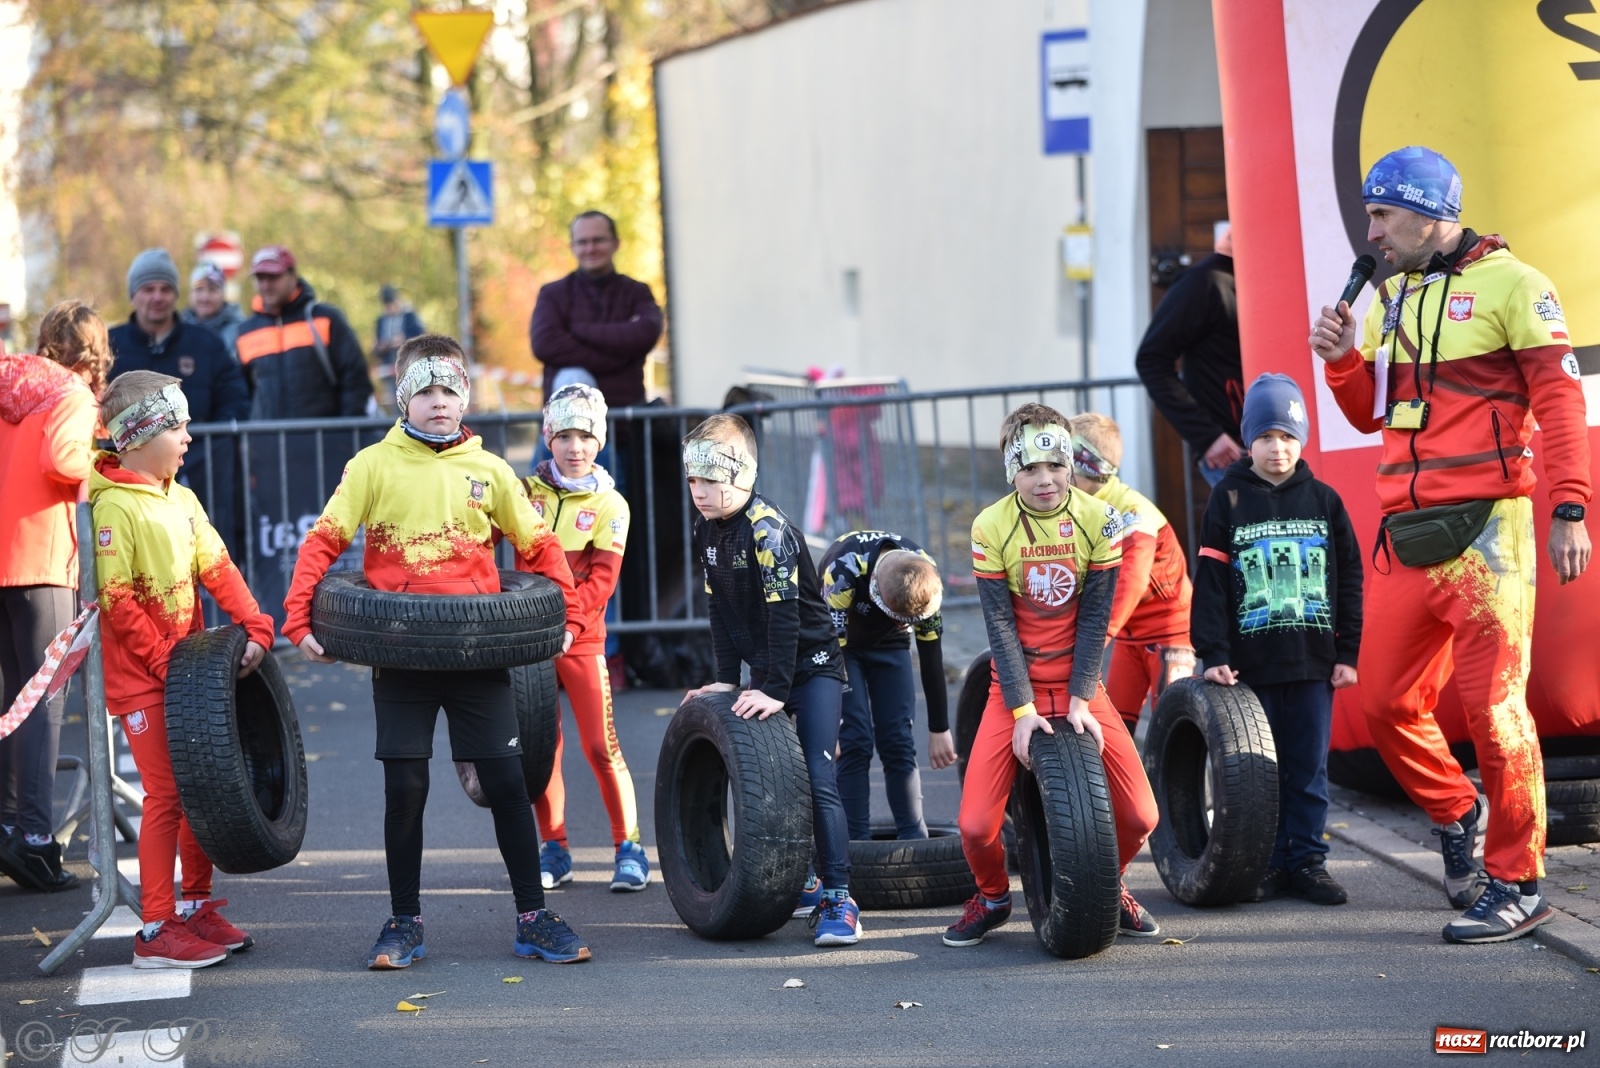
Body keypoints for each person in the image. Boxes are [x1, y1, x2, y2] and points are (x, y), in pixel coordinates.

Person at [1311, 145, 1592, 944]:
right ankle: (1457, 813)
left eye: (1382, 214)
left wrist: (1570, 507)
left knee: (1496, 711)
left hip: (1488, 536)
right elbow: (1374, 414)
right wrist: (1341, 363)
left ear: (1430, 212)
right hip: (1407, 533)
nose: (1371, 230)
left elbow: (1562, 406)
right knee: (1385, 703)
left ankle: (1518, 881)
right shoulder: (1393, 297)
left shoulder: (1518, 285)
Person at [283, 334, 592, 969]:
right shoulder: (372, 465)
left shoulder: (490, 470)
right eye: (424, 390)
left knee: (509, 783)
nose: (439, 402)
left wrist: (571, 615)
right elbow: (323, 540)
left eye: (450, 389)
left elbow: (540, 548)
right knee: (407, 787)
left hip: (478, 652)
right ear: (402, 397)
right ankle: (404, 923)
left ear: (465, 396)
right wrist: (298, 617)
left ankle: (534, 916)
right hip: (401, 653)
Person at [946, 403, 1161, 948]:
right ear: (1010, 471)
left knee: (1141, 816)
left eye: (1055, 467)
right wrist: (1021, 711)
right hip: (1012, 686)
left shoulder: (1100, 520)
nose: (1044, 481)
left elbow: (1096, 617)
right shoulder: (990, 525)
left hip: (1081, 683)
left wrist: (1081, 698)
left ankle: (1105, 885)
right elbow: (998, 624)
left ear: (1071, 463)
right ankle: (992, 896)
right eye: (1028, 469)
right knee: (975, 827)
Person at [90, 370, 274, 968]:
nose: (190, 435)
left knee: (199, 792)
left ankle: (194, 907)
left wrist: (255, 623)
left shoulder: (182, 497)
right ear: (140, 436)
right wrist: (166, 662)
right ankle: (154, 928)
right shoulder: (113, 507)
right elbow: (117, 602)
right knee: (165, 795)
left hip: (188, 676)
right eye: (179, 425)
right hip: (145, 679)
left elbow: (218, 569)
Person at [679, 414, 861, 947]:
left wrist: (777, 691)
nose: (700, 492)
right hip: (766, 671)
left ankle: (839, 898)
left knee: (816, 779)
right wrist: (724, 681)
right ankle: (799, 879)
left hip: (811, 668)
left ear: (742, 476)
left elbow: (785, 619)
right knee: (772, 779)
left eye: (710, 480)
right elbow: (721, 609)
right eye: (693, 480)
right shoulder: (705, 528)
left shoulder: (768, 531)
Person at [1191, 375, 1362, 906]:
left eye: (1287, 436)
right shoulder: (1229, 498)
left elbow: (1350, 577)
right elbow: (1212, 581)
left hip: (1313, 663)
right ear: (1248, 440)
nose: (1277, 448)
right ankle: (1263, 862)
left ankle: (1307, 861)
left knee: (1308, 771)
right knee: (1257, 773)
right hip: (1251, 668)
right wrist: (1213, 653)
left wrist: (1348, 651)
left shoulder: (1325, 501)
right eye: (1265, 436)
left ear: (1302, 439)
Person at [0, 302, 113, 892]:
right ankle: (37, 841)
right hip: (42, 558)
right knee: (40, 704)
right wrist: (113, 463)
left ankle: (11, 825)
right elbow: (63, 459)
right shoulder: (72, 393)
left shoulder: (9, 381)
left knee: (10, 700)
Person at [521, 383, 647, 894]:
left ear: (600, 441)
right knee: (541, 748)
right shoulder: (524, 493)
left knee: (601, 745)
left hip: (582, 641)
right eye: (565, 435)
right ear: (548, 438)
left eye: (586, 436)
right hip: (529, 644)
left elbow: (602, 582)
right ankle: (554, 848)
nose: (576, 447)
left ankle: (630, 849)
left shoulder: (612, 504)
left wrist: (569, 626)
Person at [111, 250, 251, 558]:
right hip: (131, 479)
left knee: (205, 553)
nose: (157, 297)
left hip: (203, 470)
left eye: (165, 289)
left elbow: (235, 397)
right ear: (134, 294)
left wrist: (209, 439)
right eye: (148, 289)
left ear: (176, 294)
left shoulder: (206, 343)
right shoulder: (111, 343)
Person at [820, 530, 953, 841]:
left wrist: (939, 728)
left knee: (898, 739)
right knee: (855, 740)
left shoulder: (926, 571)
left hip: (891, 647)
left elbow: (931, 653)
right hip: (843, 646)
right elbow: (828, 656)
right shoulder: (842, 570)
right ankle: (855, 842)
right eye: (899, 618)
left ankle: (914, 839)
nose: (904, 623)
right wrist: (829, 726)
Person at [1065, 413, 1195, 731]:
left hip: (1169, 634)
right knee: (1112, 727)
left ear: (1085, 468)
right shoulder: (1079, 507)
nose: (1055, 477)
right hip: (1128, 635)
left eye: (1060, 465)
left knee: (1175, 729)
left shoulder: (1133, 513)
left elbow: (1130, 583)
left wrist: (1095, 637)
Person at [1136, 222, 1244, 488]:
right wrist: (1206, 436)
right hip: (1234, 456)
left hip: (1278, 446)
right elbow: (1151, 360)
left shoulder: (1264, 278)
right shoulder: (1205, 282)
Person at [530, 211, 663, 410]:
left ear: (616, 243)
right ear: (572, 246)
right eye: (582, 242)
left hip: (626, 427)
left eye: (598, 240)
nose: (590, 248)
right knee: (573, 376)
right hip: (568, 435)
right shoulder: (553, 294)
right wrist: (617, 359)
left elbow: (646, 332)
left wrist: (579, 329)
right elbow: (544, 344)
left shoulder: (637, 292)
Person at [234, 245, 372, 420]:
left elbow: (355, 379)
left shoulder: (325, 319)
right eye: (260, 278)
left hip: (324, 440)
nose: (266, 285)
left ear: (293, 276)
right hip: (268, 441)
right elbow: (239, 394)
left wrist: (345, 432)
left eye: (273, 277)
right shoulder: (246, 331)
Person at [181, 262, 246, 358]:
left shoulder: (240, 331)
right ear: (190, 294)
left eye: (212, 290)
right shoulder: (177, 329)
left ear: (223, 294)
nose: (205, 298)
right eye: (199, 289)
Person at [373, 284, 425, 368]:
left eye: (391, 303)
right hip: (388, 362)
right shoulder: (381, 320)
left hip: (407, 361)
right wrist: (381, 346)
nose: (389, 307)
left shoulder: (409, 316)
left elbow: (421, 336)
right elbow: (376, 345)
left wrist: (404, 339)